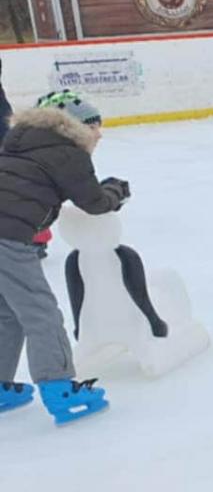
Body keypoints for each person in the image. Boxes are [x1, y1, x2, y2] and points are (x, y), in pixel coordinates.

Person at [0, 90, 126, 424]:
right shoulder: (68, 152)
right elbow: (94, 202)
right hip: (8, 239)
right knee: (41, 313)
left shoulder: (18, 144)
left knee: (7, 313)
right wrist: (116, 191)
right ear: (74, 126)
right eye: (93, 126)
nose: (99, 134)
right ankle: (60, 389)